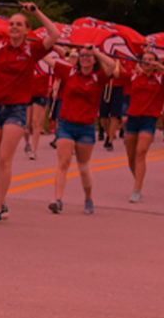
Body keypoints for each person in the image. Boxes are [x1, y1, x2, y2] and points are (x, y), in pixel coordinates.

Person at [0, 4, 59, 223]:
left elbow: (55, 34)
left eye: (19, 24)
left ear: (26, 30)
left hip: (16, 109)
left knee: (4, 160)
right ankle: (0, 199)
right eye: (11, 23)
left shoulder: (32, 50)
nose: (13, 27)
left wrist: (37, 12)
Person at [47, 45, 117, 214]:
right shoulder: (69, 72)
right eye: (82, 55)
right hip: (66, 125)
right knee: (63, 163)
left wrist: (96, 51)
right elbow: (47, 59)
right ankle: (58, 200)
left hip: (86, 127)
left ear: (94, 60)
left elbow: (112, 66)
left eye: (89, 56)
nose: (85, 58)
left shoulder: (99, 77)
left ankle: (88, 198)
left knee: (83, 165)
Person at [117, 50, 164, 202]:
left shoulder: (159, 78)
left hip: (149, 119)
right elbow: (115, 72)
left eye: (151, 60)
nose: (148, 62)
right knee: (131, 157)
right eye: (145, 60)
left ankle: (136, 190)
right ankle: (139, 180)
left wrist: (160, 67)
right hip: (132, 119)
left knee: (140, 152)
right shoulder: (134, 76)